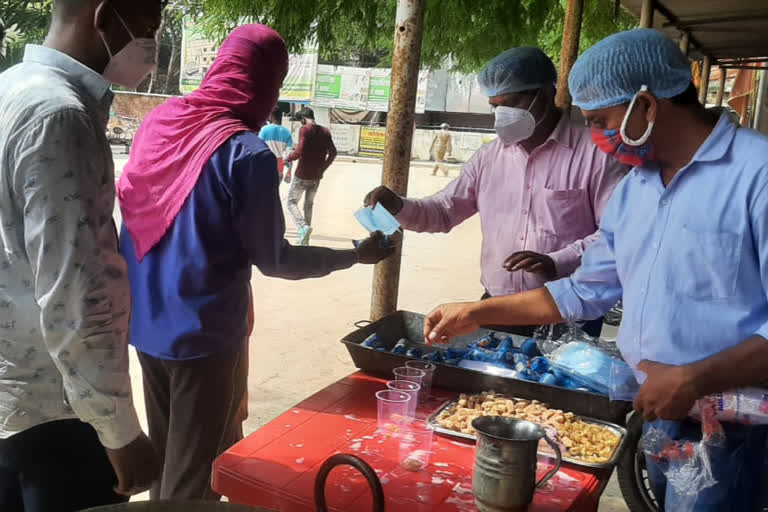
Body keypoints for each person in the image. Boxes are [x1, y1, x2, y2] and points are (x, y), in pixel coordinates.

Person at [424, 29, 768, 512]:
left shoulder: (757, 175)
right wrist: (478, 313)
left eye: (601, 121)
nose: (597, 139)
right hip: (660, 412)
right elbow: (584, 291)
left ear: (646, 106)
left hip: (742, 425)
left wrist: (695, 377)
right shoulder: (636, 191)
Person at [117, 25, 392, 501]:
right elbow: (276, 259)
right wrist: (355, 255)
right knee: (194, 479)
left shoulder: (161, 123)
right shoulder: (245, 154)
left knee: (168, 456)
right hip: (204, 337)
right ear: (266, 82)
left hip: (145, 322)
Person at [0, 0, 162, 510]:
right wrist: (118, 431)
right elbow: (76, 291)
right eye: (149, 26)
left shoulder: (11, 88)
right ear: (106, 17)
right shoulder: (61, 114)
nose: (151, 45)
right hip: (55, 412)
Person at [365, 46, 626, 337]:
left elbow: (614, 236)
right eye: (495, 106)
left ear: (545, 94)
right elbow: (442, 211)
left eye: (511, 103)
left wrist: (557, 261)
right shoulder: (489, 158)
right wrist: (397, 205)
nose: (502, 115)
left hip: (569, 312)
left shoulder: (596, 154)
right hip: (496, 307)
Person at [286, 107, 337, 246]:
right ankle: (305, 239)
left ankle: (303, 227)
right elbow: (333, 153)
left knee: (291, 202)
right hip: (316, 177)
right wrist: (323, 168)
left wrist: (289, 157)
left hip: (302, 174)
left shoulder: (305, 129)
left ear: (303, 119)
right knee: (308, 205)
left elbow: (299, 150)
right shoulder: (325, 131)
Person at [258, 110, 294, 182]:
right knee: (275, 191)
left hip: (265, 167)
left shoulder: (264, 130)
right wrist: (289, 172)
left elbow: (258, 149)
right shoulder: (287, 132)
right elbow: (289, 155)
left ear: (271, 116)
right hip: (279, 168)